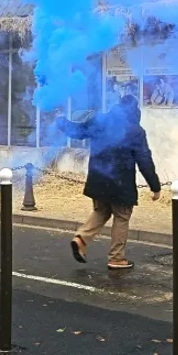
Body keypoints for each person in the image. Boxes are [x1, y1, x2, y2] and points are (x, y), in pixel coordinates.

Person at [56, 94, 161, 270]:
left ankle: (81, 238)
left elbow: (77, 131)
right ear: (135, 111)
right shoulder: (135, 131)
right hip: (121, 183)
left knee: (101, 211)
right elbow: (144, 160)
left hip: (98, 178)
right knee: (121, 216)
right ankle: (117, 258)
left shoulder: (100, 121)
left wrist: (60, 121)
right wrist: (155, 186)